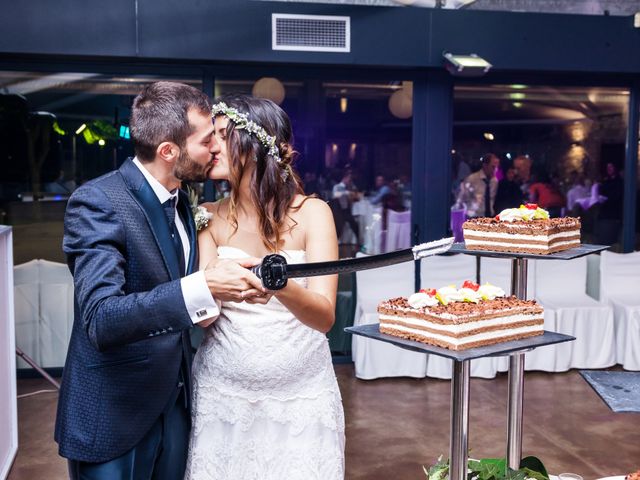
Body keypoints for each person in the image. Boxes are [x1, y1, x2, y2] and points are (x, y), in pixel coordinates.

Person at [55, 82, 265, 480]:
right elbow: (101, 318)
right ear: (169, 151)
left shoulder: (183, 201)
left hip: (175, 408)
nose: (216, 149)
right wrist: (204, 288)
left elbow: (177, 295)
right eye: (207, 141)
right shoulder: (98, 201)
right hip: (116, 416)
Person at [185, 95, 345, 479]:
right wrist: (212, 285)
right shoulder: (206, 215)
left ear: (258, 146)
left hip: (302, 398)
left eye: (223, 135)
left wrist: (279, 285)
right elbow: (204, 319)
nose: (212, 146)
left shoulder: (313, 214)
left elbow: (324, 318)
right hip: (225, 398)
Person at [456, 153, 500, 217]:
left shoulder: (495, 181)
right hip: (474, 217)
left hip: (489, 217)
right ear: (485, 165)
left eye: (497, 167)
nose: (496, 170)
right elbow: (462, 199)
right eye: (493, 167)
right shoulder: (472, 179)